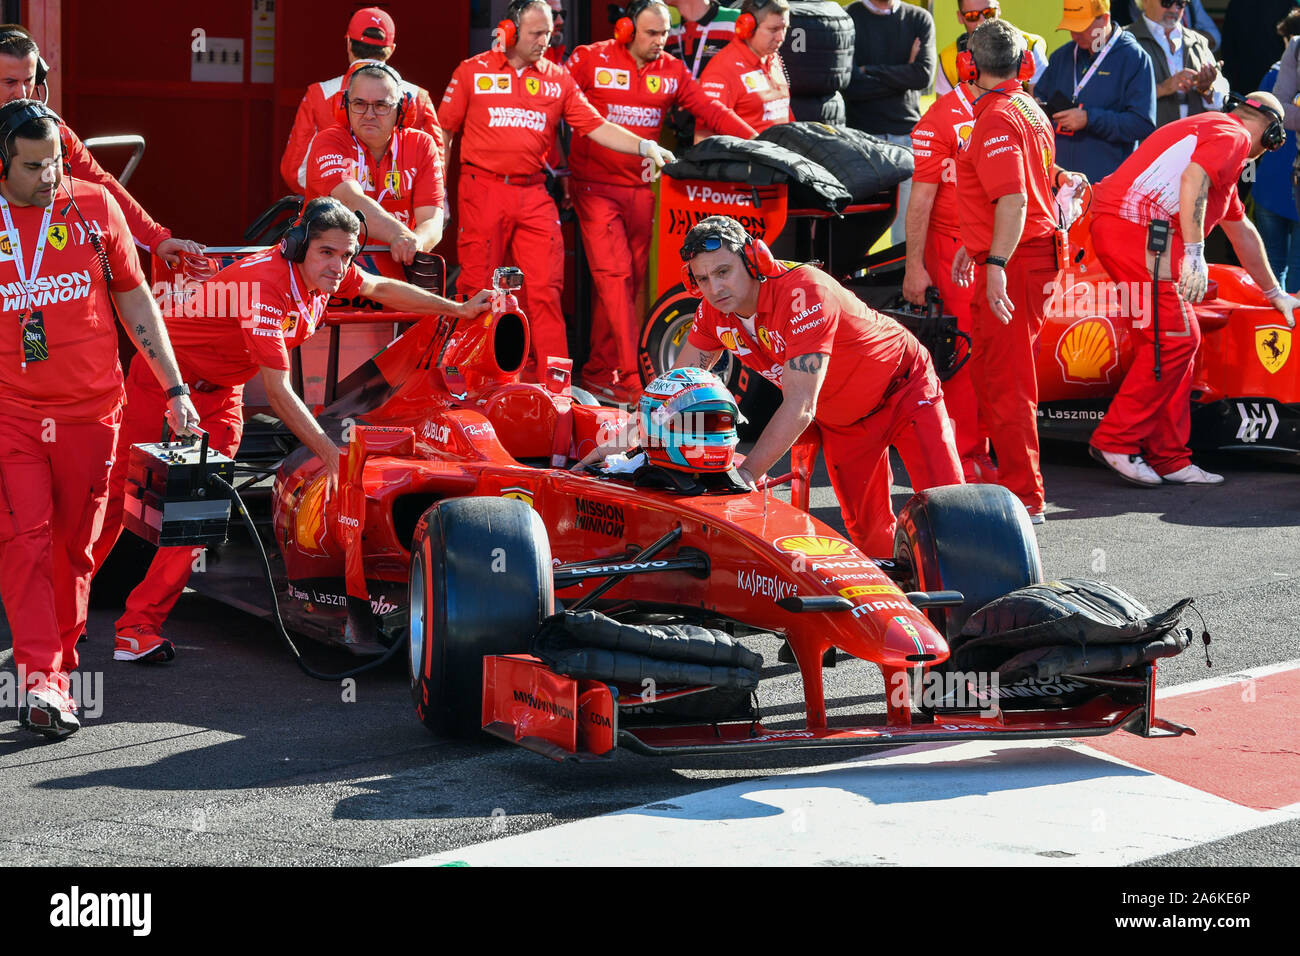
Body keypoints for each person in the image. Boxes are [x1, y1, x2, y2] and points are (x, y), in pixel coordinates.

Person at [90, 197, 492, 664]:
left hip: (222, 394)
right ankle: (65, 611)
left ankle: (138, 628)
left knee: (195, 517)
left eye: (347, 254)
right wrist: (330, 454)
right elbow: (280, 394)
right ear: (298, 246)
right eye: (328, 253)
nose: (340, 266)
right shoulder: (264, 286)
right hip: (161, 380)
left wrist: (457, 309)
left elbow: (381, 286)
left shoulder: (325, 274)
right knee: (117, 497)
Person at [0, 101, 200, 735]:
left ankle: (59, 663)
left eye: (56, 162)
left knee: (74, 550)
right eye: (33, 167)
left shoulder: (94, 206)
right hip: (12, 414)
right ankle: (44, 682)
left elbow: (134, 296)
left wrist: (174, 388)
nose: (49, 177)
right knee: (25, 542)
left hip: (92, 413)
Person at [673, 215, 964, 555]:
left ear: (754, 259)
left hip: (904, 390)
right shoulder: (712, 311)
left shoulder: (804, 291)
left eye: (723, 272)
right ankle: (909, 601)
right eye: (703, 279)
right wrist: (627, 445)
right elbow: (675, 389)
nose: (714, 288)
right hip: (843, 422)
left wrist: (747, 473)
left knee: (950, 517)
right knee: (869, 537)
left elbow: (800, 406)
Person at [438, 0, 675, 375]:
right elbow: (444, 131)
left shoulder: (556, 77)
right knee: (478, 289)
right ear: (510, 32)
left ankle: (554, 384)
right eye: (534, 34)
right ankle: (471, 378)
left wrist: (644, 146)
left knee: (546, 292)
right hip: (482, 188)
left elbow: (595, 126)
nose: (543, 41)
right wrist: (439, 199)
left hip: (534, 192)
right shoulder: (472, 71)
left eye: (547, 33)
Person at [1087, 93, 1300, 486]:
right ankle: (1116, 439)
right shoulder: (1231, 134)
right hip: (1135, 230)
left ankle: (1170, 457)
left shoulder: (1218, 141)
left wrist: (1274, 293)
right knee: (1177, 338)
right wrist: (1197, 251)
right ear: (1270, 133)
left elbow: (1243, 234)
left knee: (1171, 343)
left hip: (1132, 230)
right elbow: (1193, 179)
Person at [567, 0, 755, 405]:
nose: (660, 42)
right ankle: (634, 378)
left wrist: (759, 144)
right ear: (625, 31)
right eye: (651, 34)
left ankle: (601, 372)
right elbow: (557, 108)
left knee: (628, 283)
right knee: (614, 280)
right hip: (594, 189)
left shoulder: (672, 69)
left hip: (641, 190)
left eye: (665, 34)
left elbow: (710, 109)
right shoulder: (590, 59)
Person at [953, 19, 1080, 523]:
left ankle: (1025, 497)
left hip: (1018, 259)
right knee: (991, 374)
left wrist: (996, 261)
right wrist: (977, 244)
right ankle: (1004, 485)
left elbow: (1014, 199)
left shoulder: (999, 118)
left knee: (1008, 384)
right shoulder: (1027, 107)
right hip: (1018, 255)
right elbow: (1028, 185)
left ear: (969, 66)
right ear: (1025, 64)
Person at [0, 25, 201, 266]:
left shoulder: (55, 135)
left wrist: (156, 238)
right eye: (9, 82)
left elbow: (101, 183)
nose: (22, 93)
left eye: (28, 81)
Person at [905, 55, 994, 482]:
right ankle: (964, 457)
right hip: (952, 247)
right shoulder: (939, 120)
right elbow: (920, 200)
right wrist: (914, 269)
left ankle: (987, 447)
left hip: (998, 245)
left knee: (995, 351)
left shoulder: (1011, 105)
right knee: (961, 351)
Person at [278, 7, 444, 196]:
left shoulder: (319, 94)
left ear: (348, 43)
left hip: (336, 217)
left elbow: (295, 170)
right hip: (400, 216)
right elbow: (436, 171)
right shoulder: (418, 97)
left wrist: (332, 197)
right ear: (391, 50)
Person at [304, 63, 444, 275]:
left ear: (401, 108)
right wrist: (400, 235)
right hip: (331, 270)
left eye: (381, 106)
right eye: (359, 104)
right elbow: (351, 201)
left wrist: (415, 243)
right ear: (344, 106)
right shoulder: (328, 141)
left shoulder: (422, 145)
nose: (369, 114)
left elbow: (432, 220)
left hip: (398, 268)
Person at [845, 0, 936, 246]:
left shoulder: (919, 18)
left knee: (908, 237)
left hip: (907, 139)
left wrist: (868, 71)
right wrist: (903, 72)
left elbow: (923, 75)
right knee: (856, 234)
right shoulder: (848, 18)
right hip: (861, 140)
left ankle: (904, 285)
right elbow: (849, 85)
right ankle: (854, 285)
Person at [1034, 1, 1156, 184]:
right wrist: (1036, 106)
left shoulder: (1134, 58)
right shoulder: (1061, 57)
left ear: (1105, 19)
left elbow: (1142, 124)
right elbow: (1040, 98)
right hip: (1058, 185)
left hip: (1105, 186)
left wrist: (1089, 119)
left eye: (1081, 27)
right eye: (1071, 27)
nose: (1075, 35)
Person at [695, 0, 792, 142]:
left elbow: (783, 112)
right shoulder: (723, 69)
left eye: (785, 28)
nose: (781, 37)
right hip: (747, 161)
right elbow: (703, 138)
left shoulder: (773, 58)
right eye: (773, 30)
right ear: (747, 26)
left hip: (780, 157)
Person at [1127, 0, 1227, 129]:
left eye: (1181, 3)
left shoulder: (1198, 41)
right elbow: (1115, 97)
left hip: (1194, 140)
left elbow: (1221, 101)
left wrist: (1206, 89)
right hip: (1149, 141)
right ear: (1145, 2)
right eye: (1167, 2)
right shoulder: (1125, 41)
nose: (1174, 9)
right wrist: (1162, 88)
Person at [664, 0, 743, 148]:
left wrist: (705, 83)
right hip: (684, 138)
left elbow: (759, 69)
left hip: (729, 141)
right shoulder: (668, 31)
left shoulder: (736, 20)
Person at [1253, 47, 1300, 290]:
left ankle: (1271, 324)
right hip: (1283, 188)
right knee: (1295, 274)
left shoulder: (1272, 77)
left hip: (1268, 189)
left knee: (1270, 267)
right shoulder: (1277, 75)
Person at [935, 1, 1049, 97]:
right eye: (972, 16)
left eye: (988, 13)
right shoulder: (948, 59)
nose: (982, 21)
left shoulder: (1029, 47)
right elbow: (942, 115)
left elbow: (1040, 106)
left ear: (998, 9)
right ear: (960, 17)